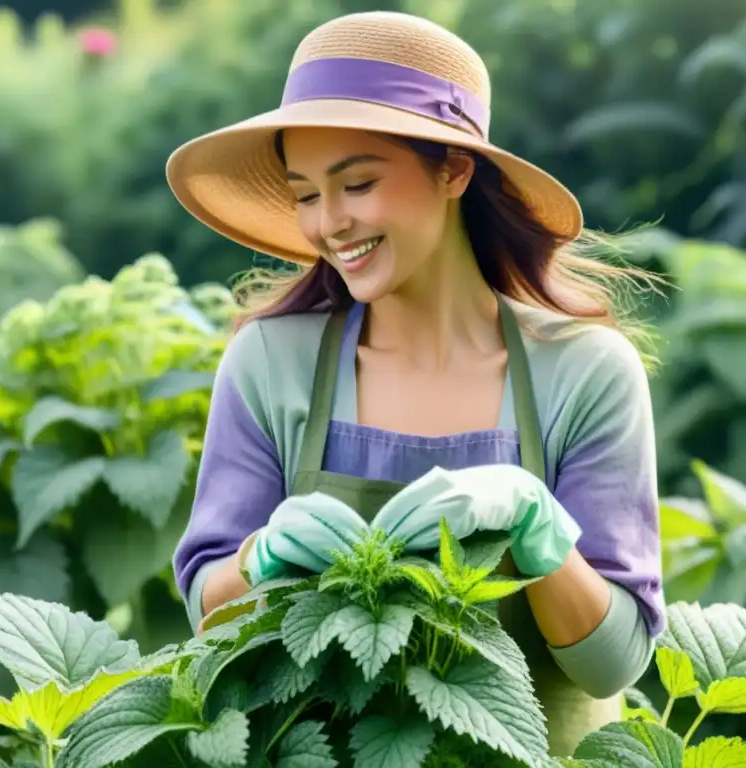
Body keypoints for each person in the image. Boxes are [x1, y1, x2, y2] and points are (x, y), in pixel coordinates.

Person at [167, 10, 665, 757]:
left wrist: (537, 530)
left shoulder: (585, 371)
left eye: (358, 183)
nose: (329, 223)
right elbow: (209, 619)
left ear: (454, 169)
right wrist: (259, 559)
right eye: (305, 194)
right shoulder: (270, 362)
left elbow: (611, 664)